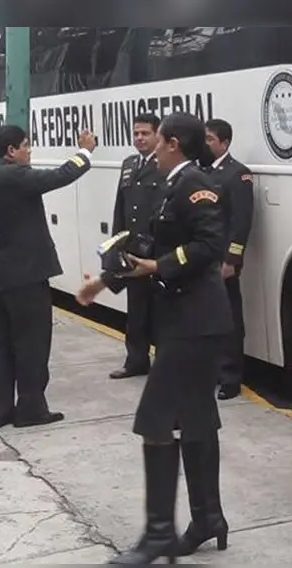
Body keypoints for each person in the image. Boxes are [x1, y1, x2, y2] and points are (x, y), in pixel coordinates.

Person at [75, 111, 232, 564]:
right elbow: (147, 244)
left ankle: (159, 533)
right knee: (196, 417)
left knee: (155, 419)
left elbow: (209, 247)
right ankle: (208, 518)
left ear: (174, 144)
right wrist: (104, 281)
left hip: (196, 321)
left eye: (158, 140)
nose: (153, 148)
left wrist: (158, 267)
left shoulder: (195, 184)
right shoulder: (170, 184)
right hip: (186, 319)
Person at [0, 124, 97, 429]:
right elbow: (63, 175)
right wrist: (85, 151)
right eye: (26, 146)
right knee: (31, 344)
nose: (29, 151)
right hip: (26, 277)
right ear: (11, 151)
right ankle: (31, 409)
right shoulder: (16, 176)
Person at [108, 112, 163, 380]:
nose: (139, 138)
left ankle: (164, 365)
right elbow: (121, 207)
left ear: (157, 135)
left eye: (145, 133)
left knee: (162, 312)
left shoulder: (164, 164)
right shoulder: (129, 164)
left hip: (157, 252)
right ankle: (136, 361)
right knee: (136, 310)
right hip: (132, 252)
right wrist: (117, 244)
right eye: (136, 133)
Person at [202, 118, 255, 400]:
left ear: (224, 143)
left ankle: (231, 378)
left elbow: (241, 221)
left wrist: (232, 259)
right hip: (203, 258)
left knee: (229, 319)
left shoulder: (237, 174)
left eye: (210, 139)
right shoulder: (202, 171)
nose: (205, 144)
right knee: (207, 319)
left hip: (222, 260)